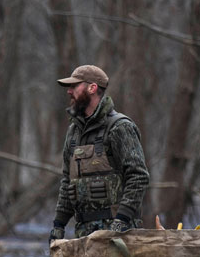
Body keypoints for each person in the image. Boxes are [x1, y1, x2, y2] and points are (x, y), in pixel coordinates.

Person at [49, 64, 150, 242]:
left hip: (119, 235)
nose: (69, 91)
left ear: (92, 88)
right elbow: (67, 181)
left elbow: (138, 176)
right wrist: (59, 225)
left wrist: (122, 220)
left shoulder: (120, 127)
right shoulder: (74, 131)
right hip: (83, 233)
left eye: (74, 86)